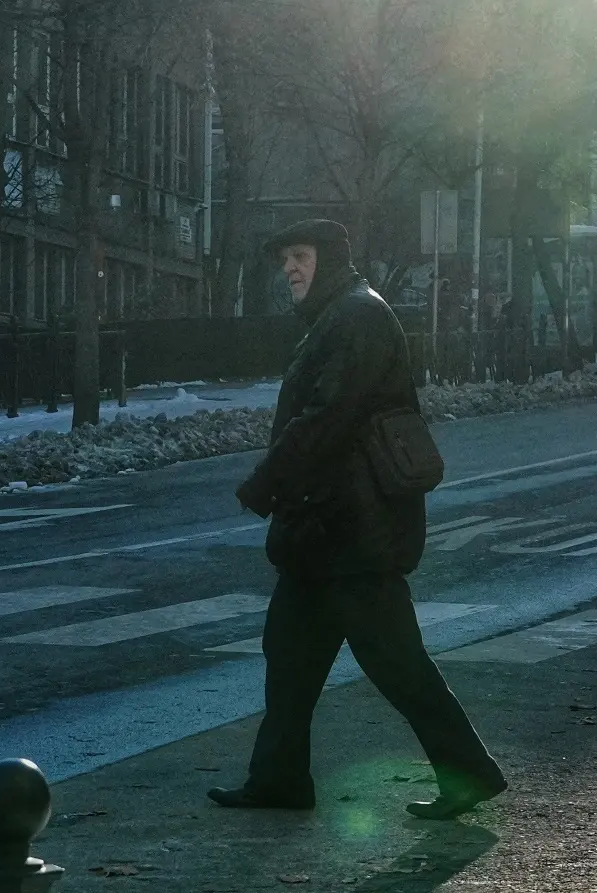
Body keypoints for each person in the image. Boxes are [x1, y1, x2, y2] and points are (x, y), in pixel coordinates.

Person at [219, 218, 506, 819]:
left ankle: (471, 772)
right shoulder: (338, 315)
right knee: (290, 659)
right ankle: (279, 780)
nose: (290, 269)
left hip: (355, 533)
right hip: (323, 534)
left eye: (300, 256)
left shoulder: (357, 316)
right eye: (285, 259)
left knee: (397, 665)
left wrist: (264, 482)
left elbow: (330, 416)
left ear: (330, 258)